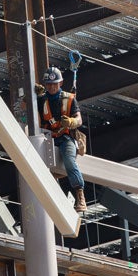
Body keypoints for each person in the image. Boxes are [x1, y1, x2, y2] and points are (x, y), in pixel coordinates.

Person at [38, 67, 87, 212]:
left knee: (69, 161)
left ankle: (80, 195)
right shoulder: (40, 100)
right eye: (49, 84)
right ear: (45, 85)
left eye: (55, 84)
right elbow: (23, 108)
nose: (52, 87)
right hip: (47, 138)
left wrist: (72, 122)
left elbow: (79, 120)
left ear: (60, 83)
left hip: (65, 138)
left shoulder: (70, 99)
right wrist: (29, 95)